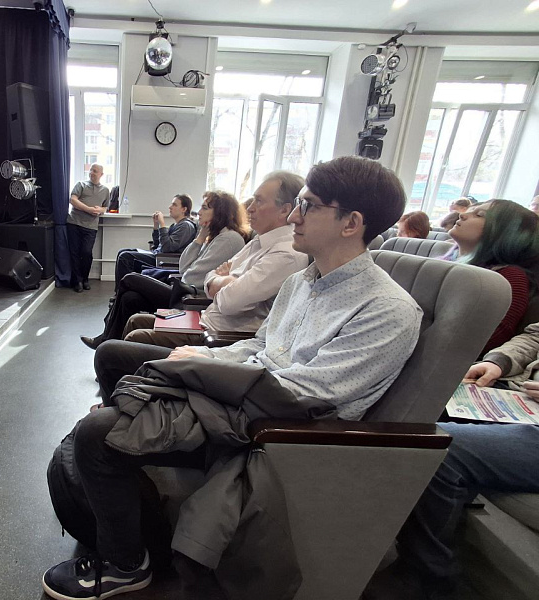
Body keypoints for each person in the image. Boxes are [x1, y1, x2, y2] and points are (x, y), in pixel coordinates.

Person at [41, 156, 423, 600]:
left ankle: (126, 565)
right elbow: (260, 345)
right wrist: (203, 357)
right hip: (245, 394)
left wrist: (206, 372)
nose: (294, 217)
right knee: (119, 357)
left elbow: (308, 395)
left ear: (351, 223)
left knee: (98, 433)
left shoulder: (387, 310)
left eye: (309, 206)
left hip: (278, 428)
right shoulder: (304, 280)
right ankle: (130, 466)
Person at [363, 324, 539, 600]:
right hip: (520, 396)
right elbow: (534, 336)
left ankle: (426, 579)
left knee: (439, 445)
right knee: (417, 405)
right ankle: (360, 537)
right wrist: (499, 362)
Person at [121, 171, 309, 348]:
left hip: (216, 332)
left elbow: (226, 300)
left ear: (284, 210)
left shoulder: (280, 252)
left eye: (258, 201)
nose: (250, 208)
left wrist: (222, 279)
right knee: (134, 318)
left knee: (131, 325)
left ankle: (111, 347)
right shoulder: (256, 241)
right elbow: (196, 272)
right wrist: (224, 277)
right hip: (205, 315)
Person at [80, 191, 248, 350]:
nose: (199, 212)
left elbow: (190, 277)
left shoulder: (228, 239)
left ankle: (106, 338)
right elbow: (184, 267)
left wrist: (193, 259)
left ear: (219, 212)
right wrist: (200, 238)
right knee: (129, 298)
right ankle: (112, 345)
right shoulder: (214, 236)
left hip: (190, 297)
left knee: (130, 278)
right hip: (184, 290)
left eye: (205, 208)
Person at [442, 199, 539, 354]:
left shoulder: (509, 277)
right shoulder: (445, 260)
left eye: (479, 215)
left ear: (505, 233)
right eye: (470, 210)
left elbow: (483, 340)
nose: (463, 215)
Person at [113, 195, 197, 290]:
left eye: (174, 205)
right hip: (159, 255)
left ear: (184, 209)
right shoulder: (176, 225)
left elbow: (167, 247)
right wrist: (156, 226)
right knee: (122, 251)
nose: (170, 207)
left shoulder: (186, 226)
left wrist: (162, 224)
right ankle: (120, 292)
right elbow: (158, 244)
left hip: (164, 259)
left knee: (125, 257)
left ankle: (121, 291)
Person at [67, 164, 110, 293]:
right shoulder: (81, 185)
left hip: (91, 226)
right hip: (74, 223)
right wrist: (89, 209)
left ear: (101, 174)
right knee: (74, 253)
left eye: (95, 171)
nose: (92, 173)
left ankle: (85, 278)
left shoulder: (105, 190)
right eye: (91, 170)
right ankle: (78, 281)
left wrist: (100, 210)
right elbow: (73, 200)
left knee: (86, 252)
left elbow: (105, 207)